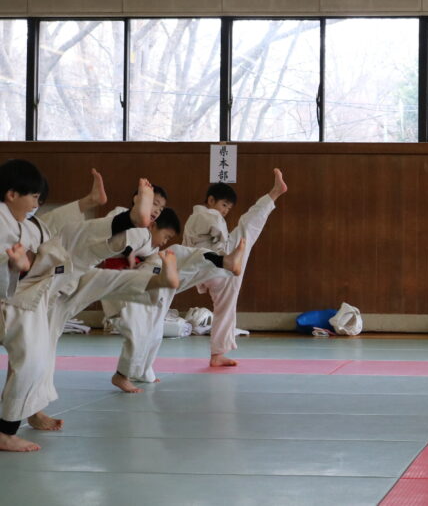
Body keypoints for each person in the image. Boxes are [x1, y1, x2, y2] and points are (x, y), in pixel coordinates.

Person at [0, 168, 178, 451]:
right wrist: (18, 267)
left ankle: (31, 410)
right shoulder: (4, 223)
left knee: (83, 249)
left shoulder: (25, 222)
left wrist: (87, 203)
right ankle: (8, 429)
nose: (36, 204)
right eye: (33, 197)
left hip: (54, 283)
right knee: (34, 358)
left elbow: (51, 226)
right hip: (25, 295)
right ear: (11, 194)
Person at [102, 207, 245, 393]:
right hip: (126, 295)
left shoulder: (151, 246)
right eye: (166, 236)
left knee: (155, 332)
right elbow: (120, 235)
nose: (164, 241)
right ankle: (121, 375)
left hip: (149, 285)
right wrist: (129, 251)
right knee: (141, 333)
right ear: (153, 225)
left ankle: (223, 262)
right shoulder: (134, 230)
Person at [182, 169, 287, 367]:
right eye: (223, 205)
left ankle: (218, 354)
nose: (225, 211)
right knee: (246, 227)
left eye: (228, 208)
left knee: (225, 307)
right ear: (210, 200)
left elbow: (188, 246)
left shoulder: (192, 220)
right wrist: (226, 249)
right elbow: (218, 230)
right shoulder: (208, 214)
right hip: (220, 262)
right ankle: (274, 193)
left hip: (204, 270)